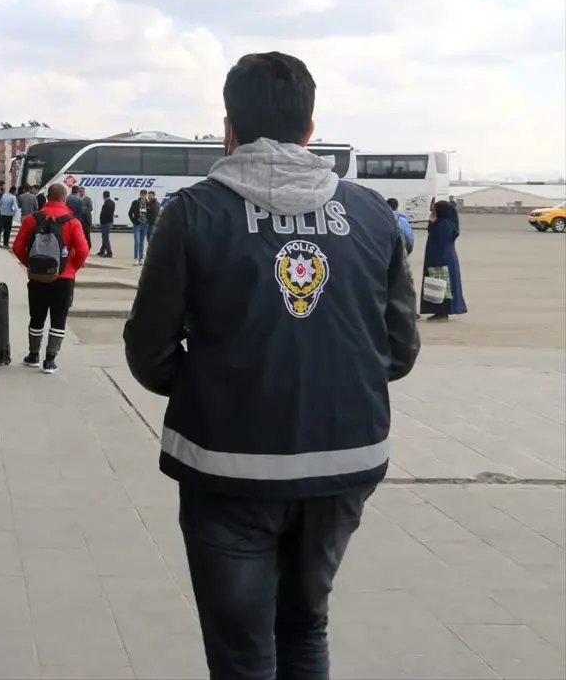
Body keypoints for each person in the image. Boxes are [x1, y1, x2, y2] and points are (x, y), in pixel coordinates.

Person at [123, 52, 420, 680]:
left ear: (229, 128)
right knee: (305, 625)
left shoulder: (194, 212)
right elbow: (399, 349)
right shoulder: (371, 214)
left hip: (227, 466)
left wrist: (219, 386)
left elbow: (148, 351)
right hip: (345, 460)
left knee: (242, 650)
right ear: (310, 131)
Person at [13, 183, 90, 374]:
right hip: (63, 278)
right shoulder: (72, 222)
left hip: (37, 277)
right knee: (58, 319)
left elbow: (17, 247)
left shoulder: (32, 219)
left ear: (47, 197)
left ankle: (33, 355)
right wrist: (72, 267)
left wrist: (31, 265)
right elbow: (83, 250)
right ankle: (50, 360)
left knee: (36, 317)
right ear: (64, 199)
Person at [420, 200, 467, 321]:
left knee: (442, 284)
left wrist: (432, 223)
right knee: (439, 284)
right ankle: (440, 311)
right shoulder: (445, 223)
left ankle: (442, 311)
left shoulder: (445, 225)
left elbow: (438, 239)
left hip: (441, 258)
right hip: (443, 257)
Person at [128, 189, 150, 265]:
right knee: (137, 242)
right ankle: (136, 258)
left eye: (145, 195)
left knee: (142, 242)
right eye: (142, 195)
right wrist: (134, 221)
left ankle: (141, 258)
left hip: (145, 225)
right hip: (137, 225)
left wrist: (149, 221)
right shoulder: (135, 203)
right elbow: (130, 213)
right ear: (140, 195)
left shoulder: (148, 203)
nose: (144, 196)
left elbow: (152, 212)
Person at [97, 190, 116, 257]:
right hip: (110, 222)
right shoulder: (112, 203)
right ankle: (102, 251)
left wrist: (101, 222)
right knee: (105, 237)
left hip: (106, 223)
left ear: (104, 196)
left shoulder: (107, 203)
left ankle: (109, 253)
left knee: (105, 238)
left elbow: (104, 214)